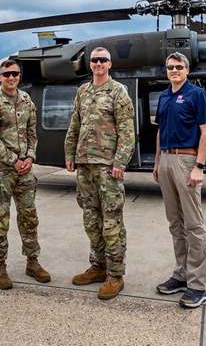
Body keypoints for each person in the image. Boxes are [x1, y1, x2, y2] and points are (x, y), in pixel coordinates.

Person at [65, 47, 136, 300]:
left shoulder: (118, 92)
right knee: (90, 220)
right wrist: (70, 154)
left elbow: (127, 130)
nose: (97, 63)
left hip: (108, 167)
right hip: (84, 166)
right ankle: (98, 266)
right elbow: (75, 124)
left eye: (102, 60)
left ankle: (116, 275)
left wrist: (120, 161)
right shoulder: (82, 91)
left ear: (109, 64)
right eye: (94, 60)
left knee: (111, 221)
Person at [0, 58, 51, 289]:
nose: (12, 78)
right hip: (0, 173)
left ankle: (32, 261)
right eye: (7, 74)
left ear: (20, 76)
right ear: (0, 77)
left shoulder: (26, 100)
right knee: (0, 220)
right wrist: (14, 161)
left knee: (29, 217)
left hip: (24, 172)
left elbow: (32, 132)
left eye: (15, 74)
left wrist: (29, 157)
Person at [153, 52, 206, 309]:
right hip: (166, 160)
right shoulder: (164, 96)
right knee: (175, 223)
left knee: (193, 225)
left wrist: (199, 166)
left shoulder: (196, 95)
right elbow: (160, 130)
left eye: (179, 67)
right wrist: (157, 162)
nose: (174, 70)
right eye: (170, 67)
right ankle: (180, 274)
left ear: (187, 70)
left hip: (187, 161)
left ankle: (197, 286)